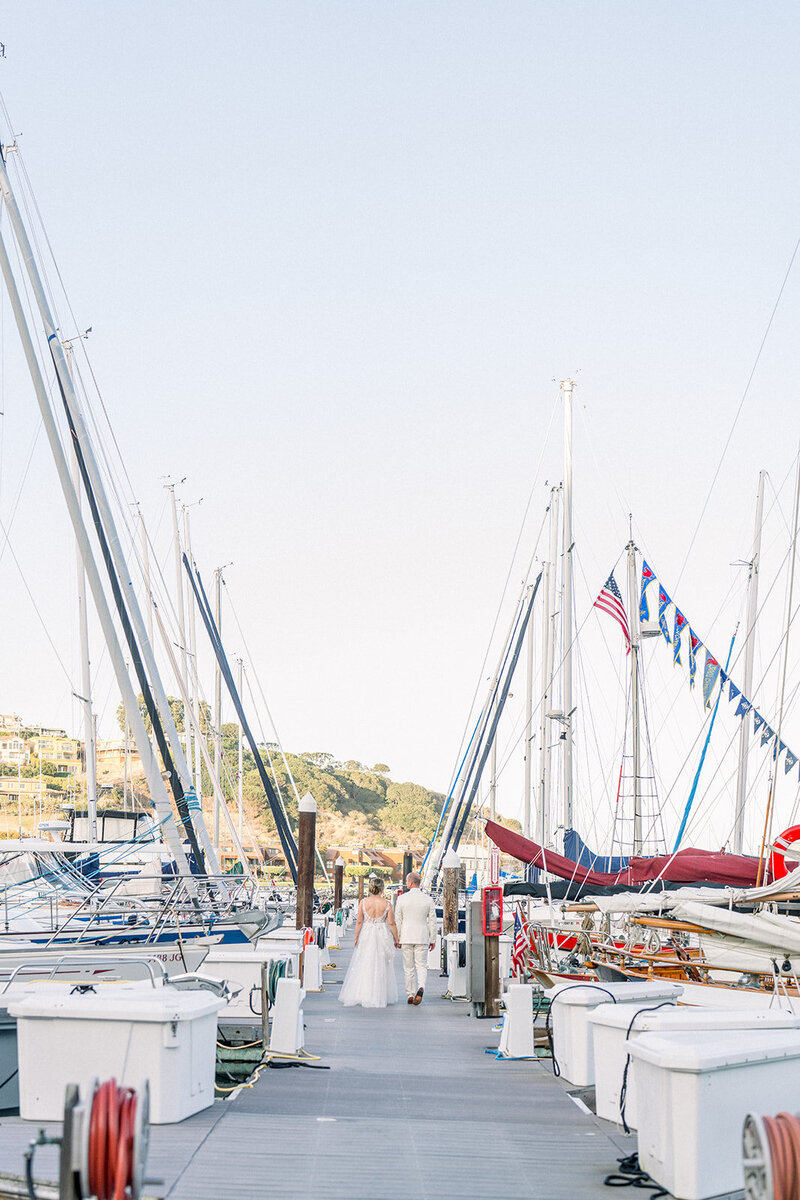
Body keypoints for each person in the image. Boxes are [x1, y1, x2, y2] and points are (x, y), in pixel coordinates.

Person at [338, 876, 400, 1008]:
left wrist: (356, 937)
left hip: (367, 933)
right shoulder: (387, 904)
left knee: (365, 962)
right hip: (382, 933)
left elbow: (359, 921)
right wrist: (396, 938)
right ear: (382, 889)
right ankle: (378, 994)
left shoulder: (363, 902)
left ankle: (364, 993)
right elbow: (391, 923)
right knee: (381, 964)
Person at [394, 871, 437, 1005]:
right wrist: (433, 939)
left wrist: (397, 938)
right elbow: (432, 921)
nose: (406, 884)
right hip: (422, 936)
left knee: (409, 967)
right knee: (421, 965)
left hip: (406, 936)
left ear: (411, 882)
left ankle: (410, 994)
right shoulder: (428, 899)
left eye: (407, 881)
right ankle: (421, 986)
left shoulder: (402, 899)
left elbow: (398, 920)